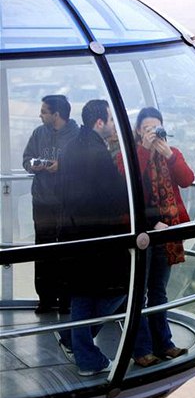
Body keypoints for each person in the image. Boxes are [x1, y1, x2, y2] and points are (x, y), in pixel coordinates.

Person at [57, 99, 131, 376]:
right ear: (99, 122)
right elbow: (118, 196)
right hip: (98, 238)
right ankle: (86, 356)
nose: (113, 126)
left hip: (74, 234)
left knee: (83, 294)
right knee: (118, 289)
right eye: (111, 121)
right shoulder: (97, 153)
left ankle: (73, 340)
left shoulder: (72, 146)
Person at [125, 107, 194, 362]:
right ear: (137, 132)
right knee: (139, 294)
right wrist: (144, 150)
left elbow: (187, 179)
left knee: (158, 291)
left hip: (167, 234)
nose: (154, 135)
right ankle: (141, 350)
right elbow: (127, 183)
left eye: (157, 129)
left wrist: (170, 157)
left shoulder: (171, 154)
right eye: (147, 130)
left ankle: (163, 343)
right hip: (142, 235)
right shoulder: (132, 155)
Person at [22, 95, 79, 314]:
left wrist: (62, 166)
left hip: (67, 203)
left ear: (56, 115)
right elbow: (26, 159)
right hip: (43, 201)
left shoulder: (77, 135)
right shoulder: (39, 133)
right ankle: (45, 299)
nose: (40, 114)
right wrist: (33, 165)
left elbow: (84, 165)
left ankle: (66, 300)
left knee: (67, 251)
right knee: (43, 250)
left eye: (44, 111)